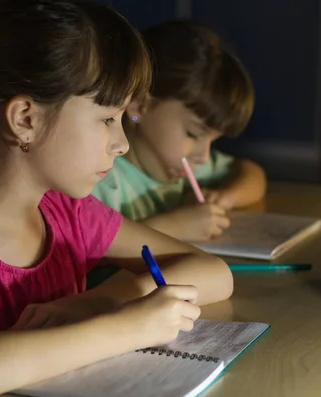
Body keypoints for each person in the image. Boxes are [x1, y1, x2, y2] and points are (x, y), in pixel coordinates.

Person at [0, 2, 233, 397]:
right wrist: (129, 327)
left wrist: (93, 304)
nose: (122, 143)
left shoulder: (70, 216)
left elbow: (214, 273)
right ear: (26, 119)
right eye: (107, 118)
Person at [92, 20, 266, 243]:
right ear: (140, 105)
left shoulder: (184, 168)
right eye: (193, 134)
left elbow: (252, 173)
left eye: (213, 140)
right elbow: (89, 248)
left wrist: (225, 198)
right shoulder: (102, 180)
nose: (203, 156)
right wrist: (172, 228)